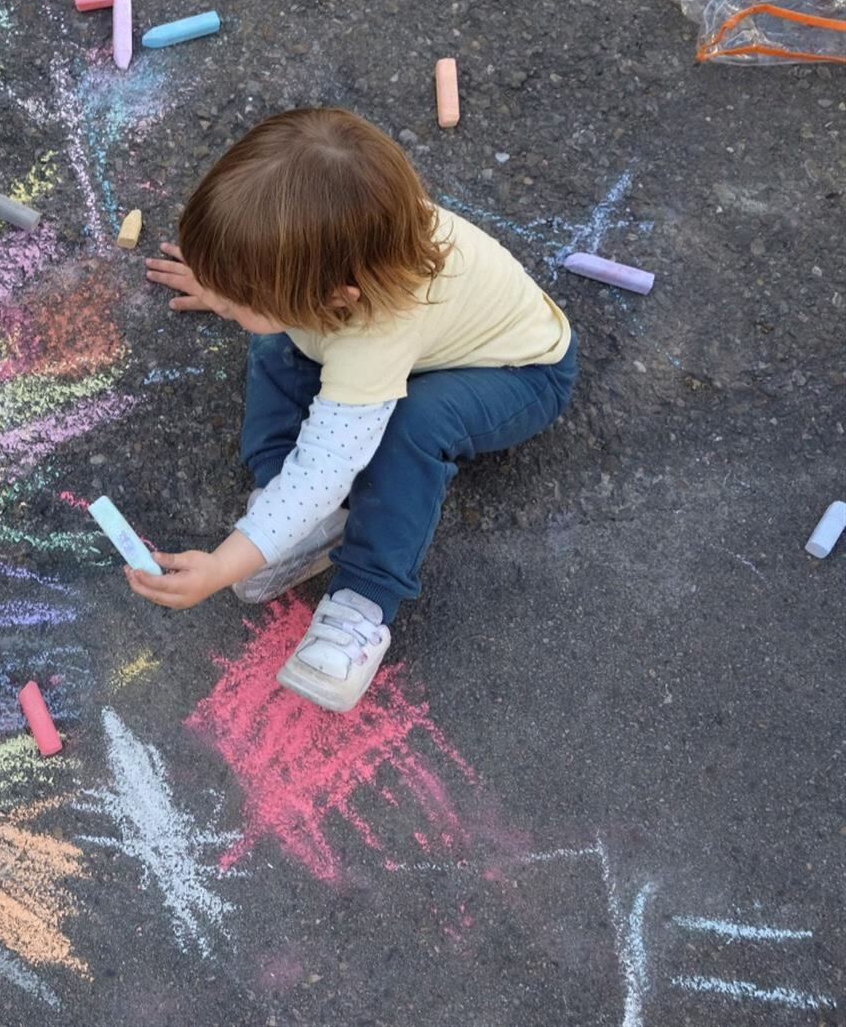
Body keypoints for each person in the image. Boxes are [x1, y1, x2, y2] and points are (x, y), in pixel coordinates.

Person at [135, 108, 577, 712]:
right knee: (274, 341)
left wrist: (220, 565)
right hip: (391, 340)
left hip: (520, 375)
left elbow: (327, 464)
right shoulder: (347, 246)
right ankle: (298, 522)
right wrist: (226, 283)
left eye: (237, 290)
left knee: (410, 426)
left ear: (334, 297)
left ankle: (362, 603)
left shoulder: (378, 332)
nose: (222, 300)